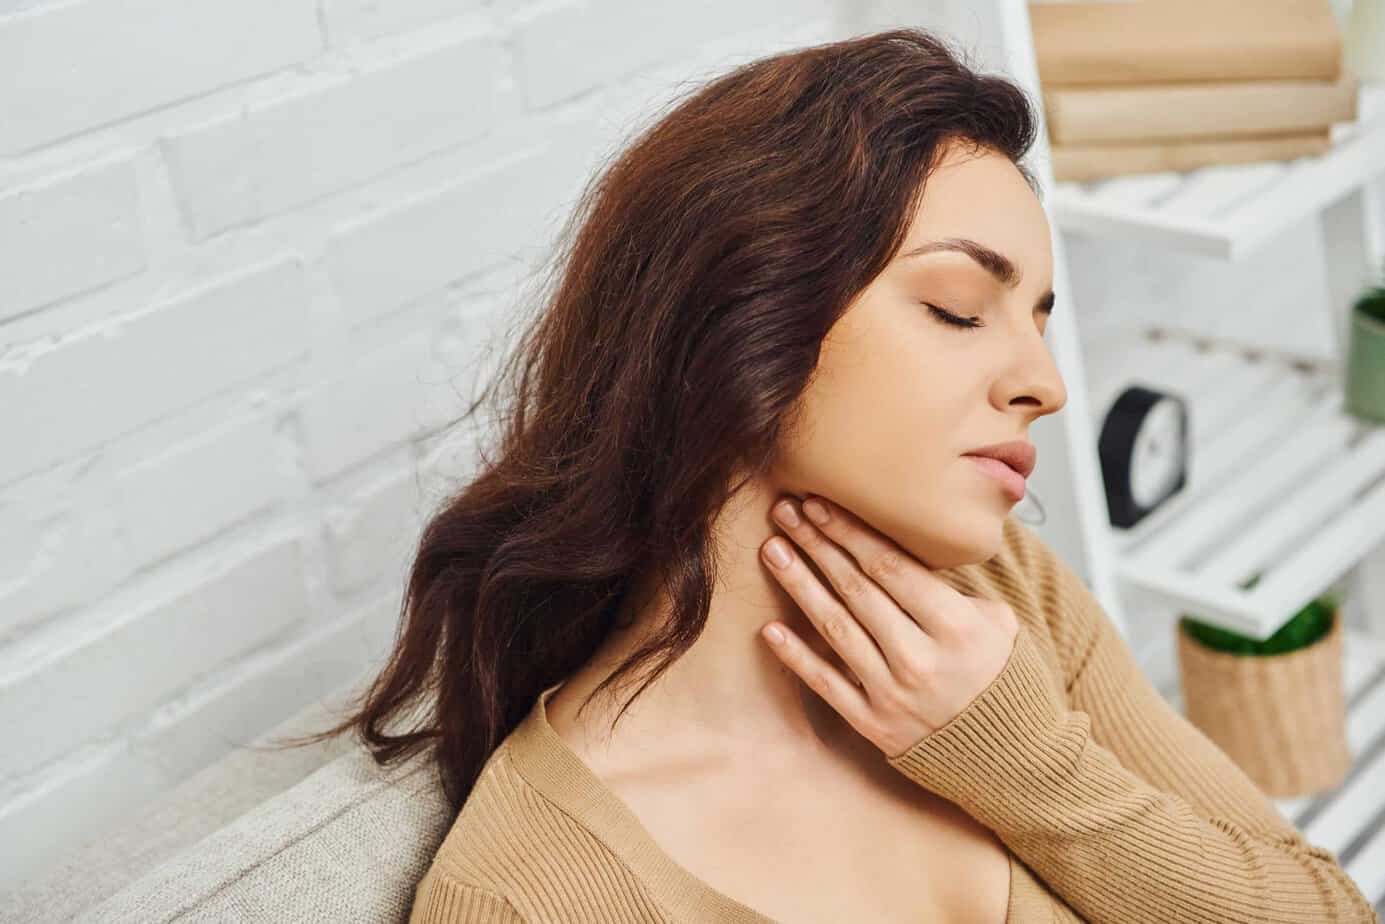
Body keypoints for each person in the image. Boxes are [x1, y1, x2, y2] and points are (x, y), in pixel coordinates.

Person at [284, 27, 1378, 924]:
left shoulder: (1002, 604)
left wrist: (1026, 767)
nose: (1042, 382)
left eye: (1037, 320)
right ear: (740, 324)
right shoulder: (534, 895)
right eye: (957, 308)